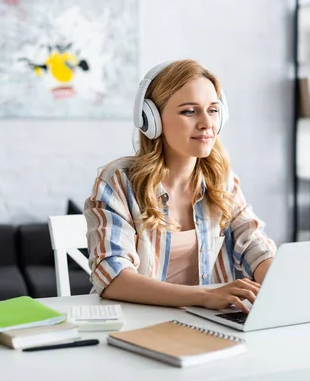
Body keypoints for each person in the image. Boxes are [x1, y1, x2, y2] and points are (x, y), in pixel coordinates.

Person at [84, 59, 276, 313]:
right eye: (189, 111)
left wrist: (282, 284)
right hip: (139, 321)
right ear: (151, 119)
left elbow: (253, 246)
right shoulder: (119, 180)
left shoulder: (220, 179)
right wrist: (204, 295)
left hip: (205, 320)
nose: (207, 123)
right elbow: (112, 278)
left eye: (213, 110)